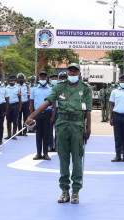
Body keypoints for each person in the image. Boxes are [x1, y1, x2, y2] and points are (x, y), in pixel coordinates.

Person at [25, 63, 92, 204]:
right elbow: (47, 102)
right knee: (63, 159)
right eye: (70, 71)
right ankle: (64, 191)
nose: (72, 74)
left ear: (79, 74)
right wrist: (32, 116)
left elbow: (88, 111)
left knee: (77, 160)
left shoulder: (85, 89)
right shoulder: (59, 87)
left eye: (75, 72)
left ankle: (76, 192)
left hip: (78, 126)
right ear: (67, 73)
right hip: (62, 126)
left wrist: (88, 129)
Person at [30, 71, 53, 160]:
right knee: (38, 134)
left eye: (44, 77)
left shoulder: (51, 89)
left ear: (47, 78)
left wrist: (53, 115)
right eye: (41, 77)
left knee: (46, 134)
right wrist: (32, 116)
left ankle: (46, 154)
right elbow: (31, 103)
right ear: (39, 78)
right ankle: (38, 153)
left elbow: (54, 103)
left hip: (47, 113)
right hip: (37, 114)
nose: (43, 79)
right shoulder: (34, 89)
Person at [5, 75, 21, 140]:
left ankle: (14, 134)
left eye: (13, 79)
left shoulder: (17, 88)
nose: (12, 80)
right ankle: (9, 134)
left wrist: (20, 107)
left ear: (15, 80)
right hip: (8, 106)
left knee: (15, 120)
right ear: (9, 80)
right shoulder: (6, 88)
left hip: (15, 105)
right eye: (11, 79)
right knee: (8, 120)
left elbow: (20, 98)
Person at [48, 74, 59, 152]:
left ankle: (57, 145)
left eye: (55, 78)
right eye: (53, 78)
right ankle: (50, 145)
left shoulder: (60, 87)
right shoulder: (48, 88)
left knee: (58, 129)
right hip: (50, 109)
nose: (54, 79)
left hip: (58, 109)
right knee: (49, 129)